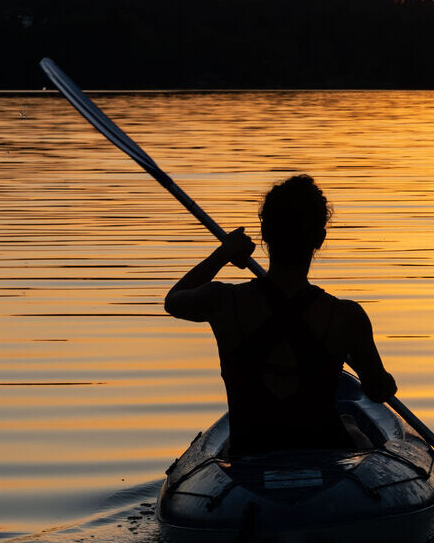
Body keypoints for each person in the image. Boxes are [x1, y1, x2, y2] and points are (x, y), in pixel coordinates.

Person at [164, 174, 396, 456]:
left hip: (250, 452)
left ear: (264, 235)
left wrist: (223, 253)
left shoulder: (222, 301)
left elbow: (173, 301)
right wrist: (378, 375)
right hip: (326, 455)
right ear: (320, 238)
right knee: (352, 427)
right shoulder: (346, 317)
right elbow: (377, 391)